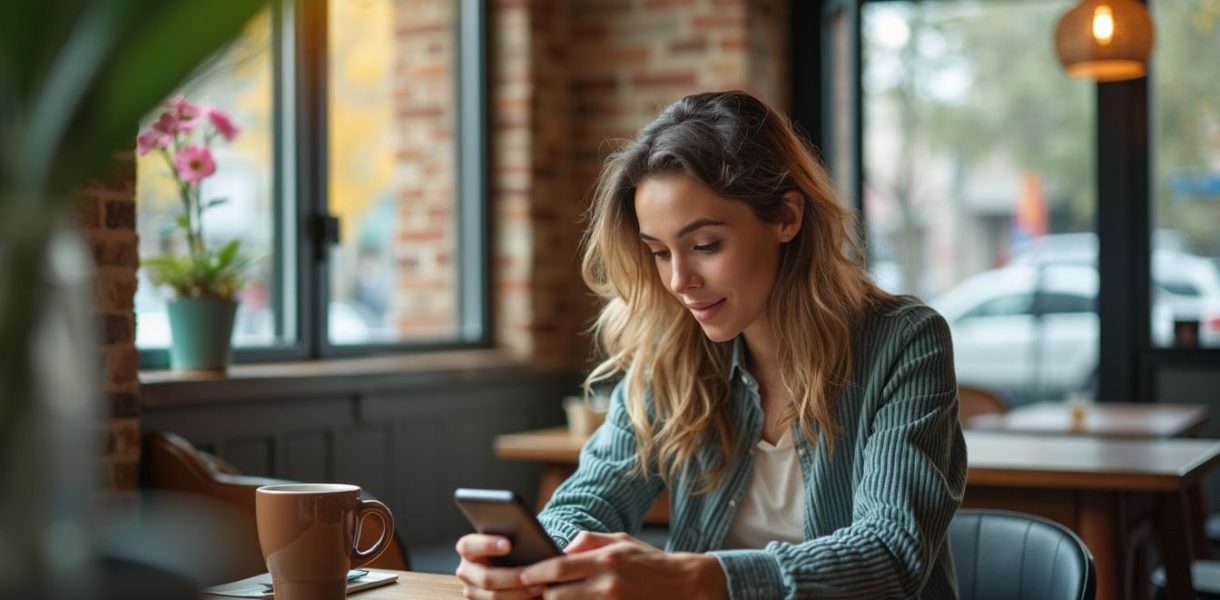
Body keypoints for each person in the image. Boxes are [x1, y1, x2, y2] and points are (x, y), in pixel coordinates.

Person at [455, 90, 967, 599]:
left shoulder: (905, 341)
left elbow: (890, 555)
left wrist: (693, 578)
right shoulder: (673, 353)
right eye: (658, 252)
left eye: (705, 246)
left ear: (787, 217)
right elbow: (589, 499)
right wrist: (535, 561)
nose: (679, 280)